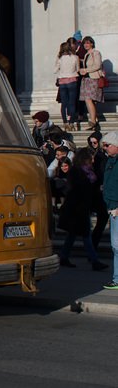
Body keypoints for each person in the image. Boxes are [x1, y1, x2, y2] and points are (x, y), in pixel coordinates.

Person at [57, 148, 108, 271]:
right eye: (91, 157)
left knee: (73, 235)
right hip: (77, 208)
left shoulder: (89, 171)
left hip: (84, 206)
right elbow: (75, 191)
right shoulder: (76, 171)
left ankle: (64, 256)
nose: (93, 160)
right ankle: (94, 260)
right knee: (86, 235)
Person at [101, 132, 118, 289]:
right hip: (112, 207)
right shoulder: (110, 161)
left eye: (107, 145)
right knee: (116, 246)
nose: (104, 148)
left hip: (116, 208)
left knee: (116, 245)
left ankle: (117, 278)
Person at [78, 36, 105, 131]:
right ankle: (95, 121)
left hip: (94, 79)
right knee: (90, 100)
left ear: (92, 44)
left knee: (88, 99)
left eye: (88, 43)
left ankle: (92, 121)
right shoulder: (86, 54)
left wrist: (86, 70)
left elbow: (97, 65)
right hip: (87, 79)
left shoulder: (96, 53)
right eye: (84, 43)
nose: (86, 45)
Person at [55, 41, 80, 131]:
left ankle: (65, 122)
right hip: (72, 80)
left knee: (64, 104)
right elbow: (78, 69)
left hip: (62, 82)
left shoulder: (60, 58)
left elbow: (55, 70)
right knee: (72, 103)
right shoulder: (75, 57)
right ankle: (71, 123)